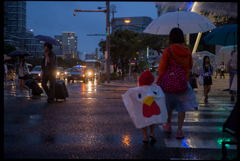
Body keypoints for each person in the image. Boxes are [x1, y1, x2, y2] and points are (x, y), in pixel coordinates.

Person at [156, 28, 198, 139]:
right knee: (181, 107)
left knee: (168, 104)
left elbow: (162, 68)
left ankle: (168, 124)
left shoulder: (168, 50)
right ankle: (179, 131)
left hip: (170, 82)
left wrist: (158, 81)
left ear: (171, 37)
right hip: (184, 82)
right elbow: (189, 65)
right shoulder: (188, 50)